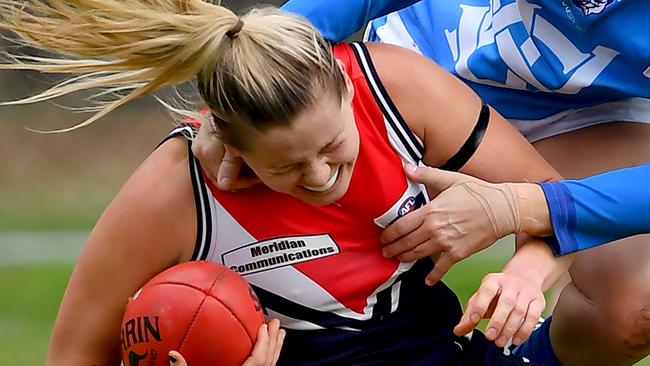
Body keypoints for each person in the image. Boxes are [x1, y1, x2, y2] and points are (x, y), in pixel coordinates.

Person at [0, 1, 571, 365]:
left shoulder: (398, 90)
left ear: (348, 91)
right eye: (286, 168)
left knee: (628, 310)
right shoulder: (177, 191)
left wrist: (525, 273)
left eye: (331, 148)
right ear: (229, 146)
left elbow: (558, 205)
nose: (320, 176)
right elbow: (72, 354)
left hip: (444, 352)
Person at [193, 1, 650, 365]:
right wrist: (248, 77)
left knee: (633, 313)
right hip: (421, 65)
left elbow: (541, 205)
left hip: (585, 114)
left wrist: (523, 212)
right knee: (301, 229)